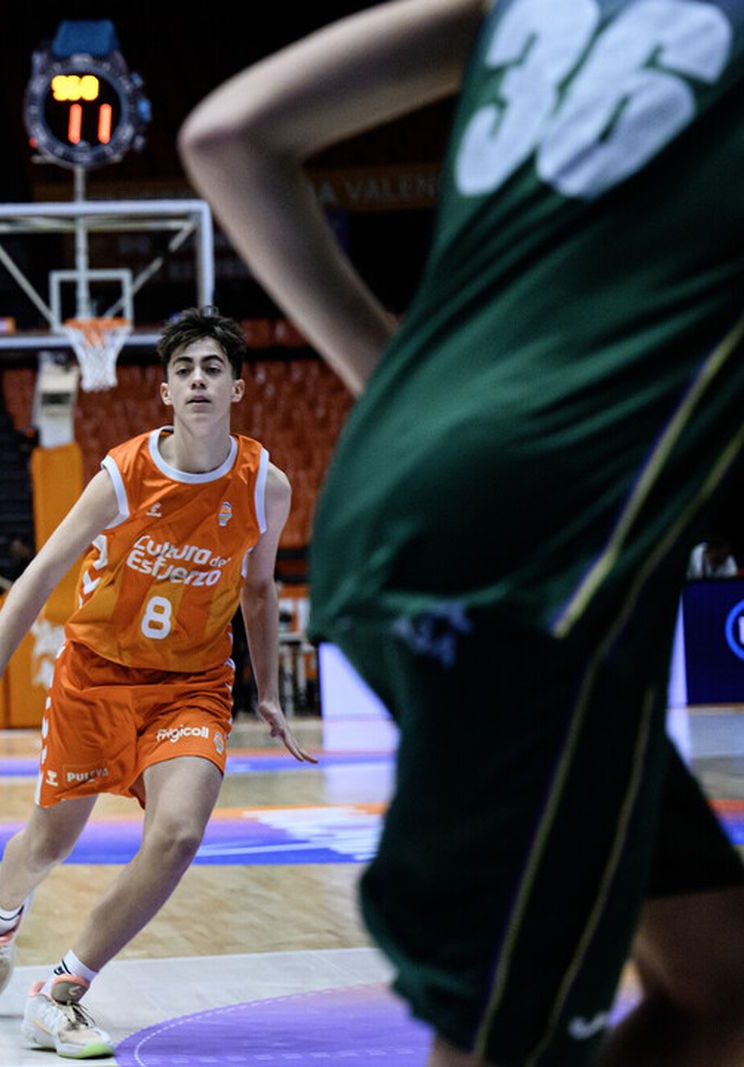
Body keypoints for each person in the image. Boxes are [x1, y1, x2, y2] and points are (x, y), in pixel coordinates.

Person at [180, 2, 744, 1065]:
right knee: (506, 1038)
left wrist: (385, 371)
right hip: (539, 545)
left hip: (394, 486)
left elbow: (226, 135)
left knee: (717, 979)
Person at [0, 309, 314, 1059]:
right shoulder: (126, 473)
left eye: (213, 367)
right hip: (96, 676)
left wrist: (267, 690)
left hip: (193, 685)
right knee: (47, 844)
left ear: (237, 387)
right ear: (166, 392)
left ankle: (62, 988)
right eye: (184, 369)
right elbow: (42, 572)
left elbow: (261, 589)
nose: (199, 379)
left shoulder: (265, 487)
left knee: (177, 833)